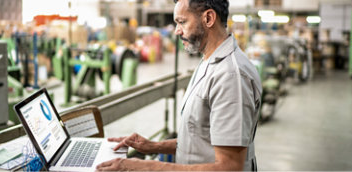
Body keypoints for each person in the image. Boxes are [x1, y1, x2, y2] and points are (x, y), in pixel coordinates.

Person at [96, 0, 262, 171]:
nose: (177, 31)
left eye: (182, 22)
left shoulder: (230, 76)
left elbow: (229, 167)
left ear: (209, 18)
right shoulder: (209, 61)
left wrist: (147, 167)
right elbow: (200, 138)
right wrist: (153, 146)